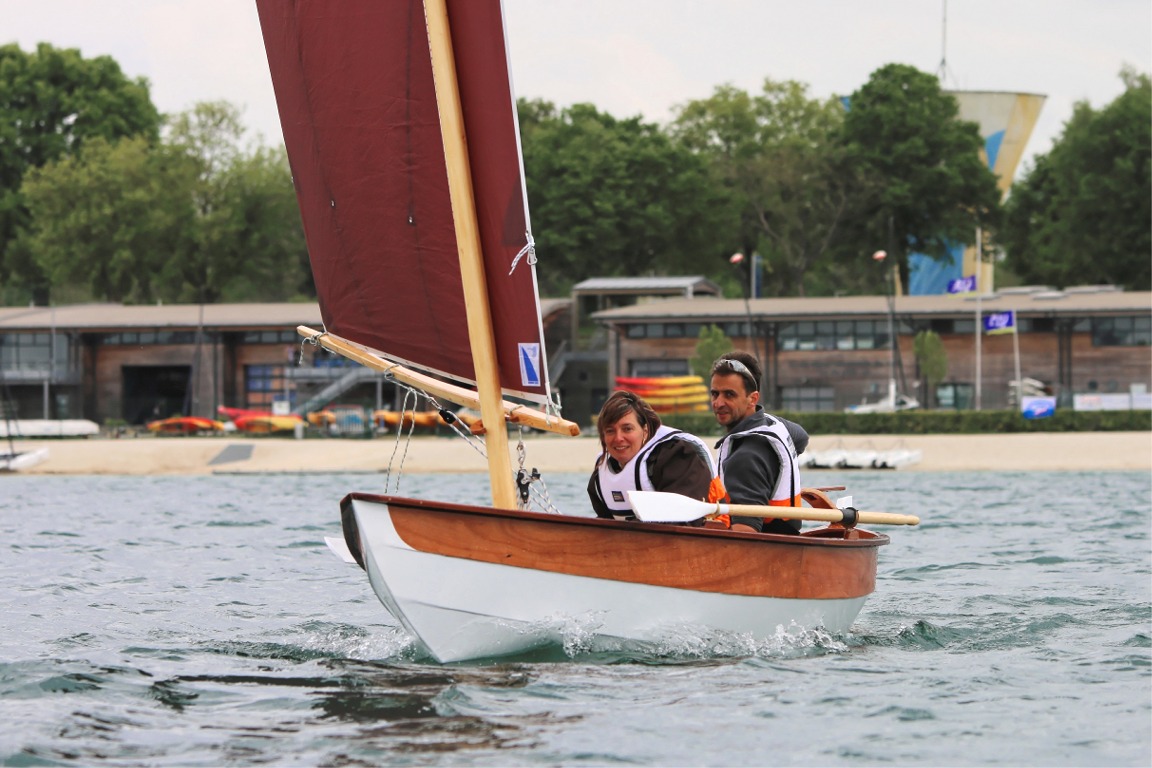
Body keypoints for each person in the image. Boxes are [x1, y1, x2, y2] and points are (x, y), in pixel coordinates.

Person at [709, 352, 808, 534]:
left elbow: (745, 534)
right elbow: (801, 437)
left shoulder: (745, 457)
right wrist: (774, 478)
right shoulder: (775, 425)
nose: (718, 403)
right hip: (788, 536)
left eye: (729, 395)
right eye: (715, 394)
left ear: (752, 399)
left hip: (769, 552)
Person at [587, 390, 716, 521]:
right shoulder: (600, 474)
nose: (618, 438)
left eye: (627, 429)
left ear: (645, 431)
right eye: (610, 431)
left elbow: (685, 522)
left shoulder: (676, 456)